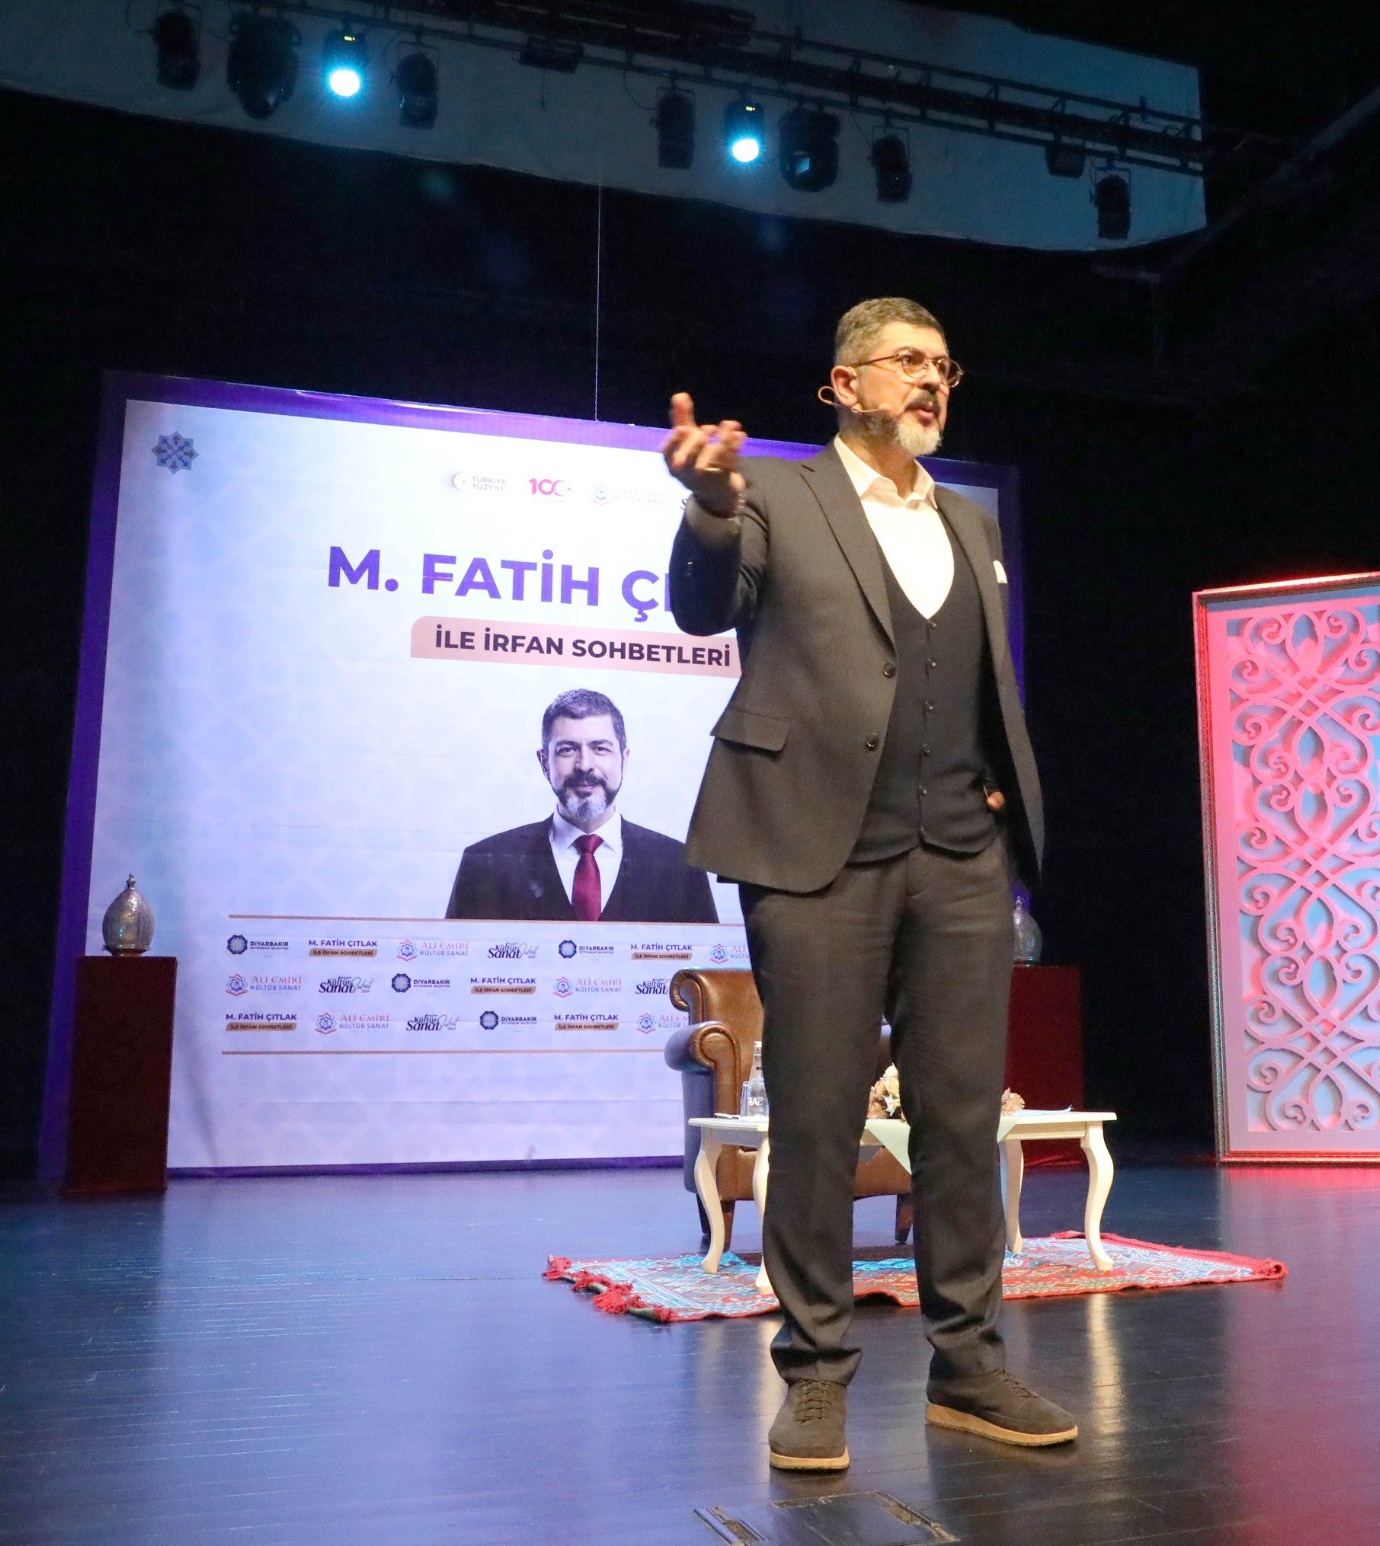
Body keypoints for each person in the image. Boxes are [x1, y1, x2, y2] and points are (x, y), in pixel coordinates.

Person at [661, 297, 1073, 1473]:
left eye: (943, 365)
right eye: (906, 361)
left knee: (960, 1115)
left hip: (959, 852)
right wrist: (709, 506)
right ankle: (812, 1372)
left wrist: (993, 805)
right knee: (817, 1111)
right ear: (844, 384)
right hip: (814, 847)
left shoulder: (965, 518)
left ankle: (969, 1364)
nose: (931, 379)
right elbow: (704, 605)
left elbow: (965, 678)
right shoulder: (775, 492)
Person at [443, 688, 718, 923]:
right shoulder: (485, 863)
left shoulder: (681, 867)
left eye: (600, 748)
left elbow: (704, 968)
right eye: (567, 749)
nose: (584, 765)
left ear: (624, 760)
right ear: (544, 762)